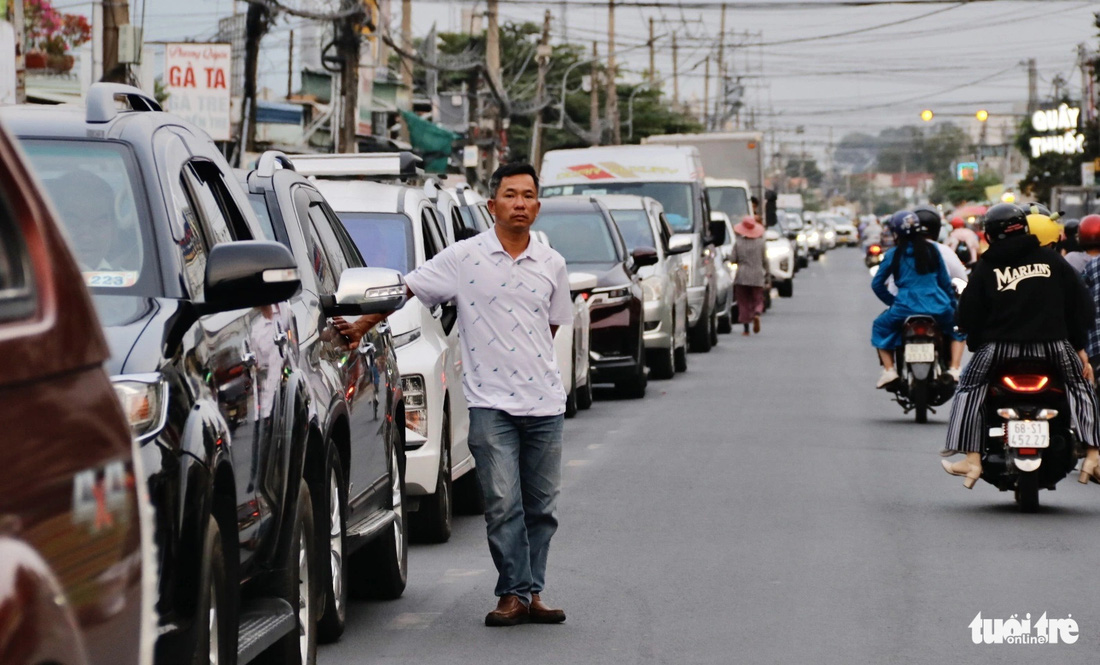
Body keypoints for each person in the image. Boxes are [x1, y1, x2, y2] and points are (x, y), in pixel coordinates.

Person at [391, 163, 572, 626]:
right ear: (492, 205)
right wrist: (359, 325)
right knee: (501, 502)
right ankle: (512, 593)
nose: (519, 203)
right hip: (490, 404)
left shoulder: (552, 263)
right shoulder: (464, 258)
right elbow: (409, 288)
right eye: (510, 195)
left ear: (537, 205)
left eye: (528, 196)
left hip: (545, 405)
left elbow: (549, 326)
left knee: (542, 509)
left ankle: (532, 592)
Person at [942, 203, 1100, 487]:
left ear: (990, 235)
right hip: (1053, 345)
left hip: (999, 347)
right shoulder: (1051, 260)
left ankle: (973, 460)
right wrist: (1078, 347)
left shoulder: (987, 265)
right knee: (1082, 386)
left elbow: (968, 314)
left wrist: (977, 342)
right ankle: (1093, 455)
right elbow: (1082, 307)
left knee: (968, 387)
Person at [871, 210, 959, 388]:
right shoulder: (933, 250)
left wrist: (892, 303)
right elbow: (944, 281)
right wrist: (953, 305)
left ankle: (889, 371)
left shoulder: (893, 254)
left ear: (896, 232)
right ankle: (954, 369)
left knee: (880, 326)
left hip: (904, 307)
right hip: (938, 305)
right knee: (959, 328)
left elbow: (877, 284)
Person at [729, 214, 768, 336]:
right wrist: (767, 274)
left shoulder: (738, 243)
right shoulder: (761, 243)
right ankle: (757, 313)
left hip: (742, 276)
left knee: (743, 302)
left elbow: (733, 259)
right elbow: (765, 260)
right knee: (758, 298)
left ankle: (746, 329)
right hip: (757, 275)